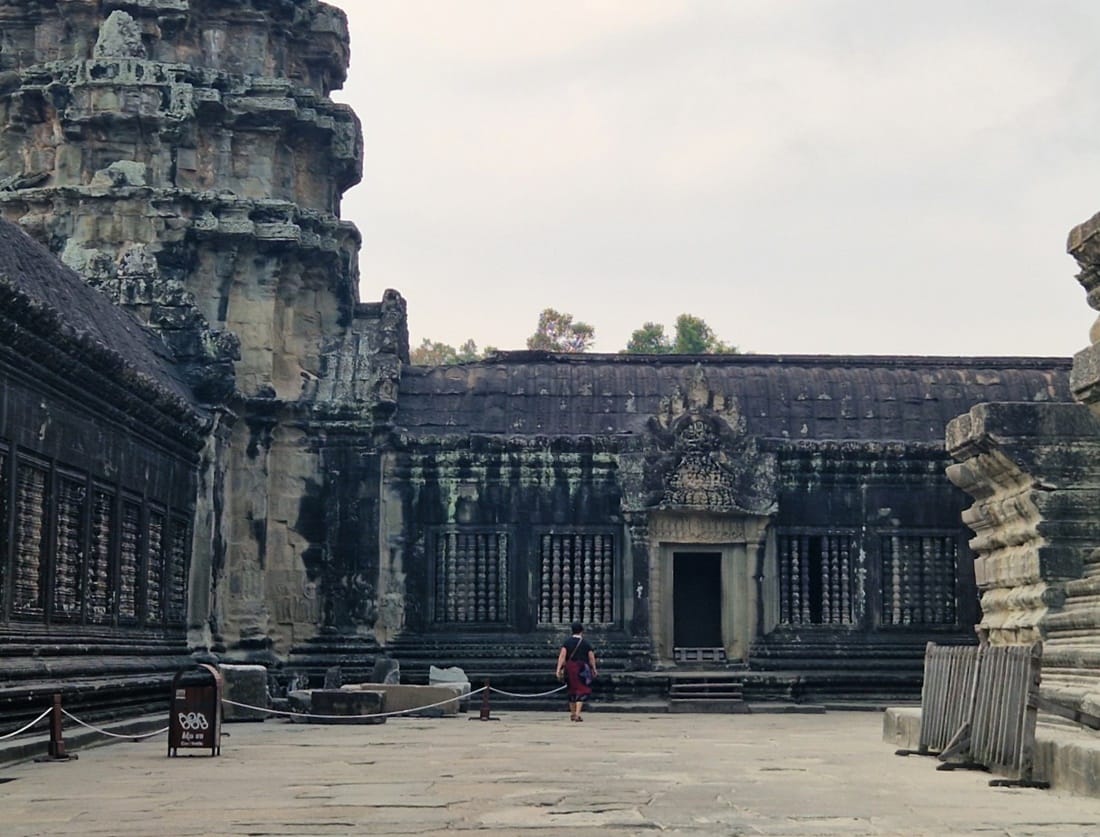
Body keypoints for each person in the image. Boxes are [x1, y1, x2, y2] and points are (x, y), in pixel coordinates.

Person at [555, 621, 597, 722]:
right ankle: (577, 714)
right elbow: (591, 657)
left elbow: (562, 656)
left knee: (571, 690)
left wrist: (558, 669)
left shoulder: (567, 642)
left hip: (570, 668)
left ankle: (573, 713)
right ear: (582, 631)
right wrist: (594, 669)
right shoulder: (585, 643)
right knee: (581, 690)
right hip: (582, 669)